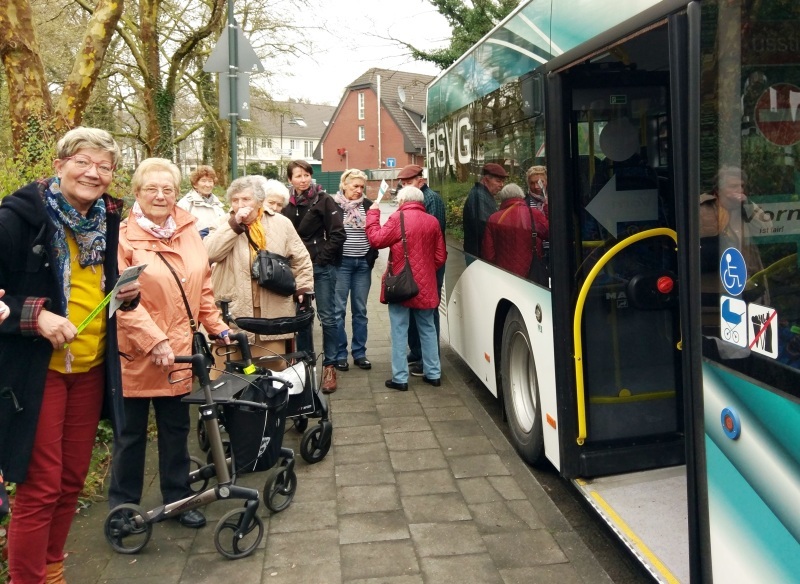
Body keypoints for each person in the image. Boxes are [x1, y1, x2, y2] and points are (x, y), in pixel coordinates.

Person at [0, 127, 140, 584]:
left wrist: (126, 294)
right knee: (40, 487)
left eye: (104, 166)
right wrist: (34, 317)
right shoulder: (18, 218)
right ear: (59, 165)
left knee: (70, 483)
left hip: (92, 367)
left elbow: (98, 286)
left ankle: (53, 571)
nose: (93, 173)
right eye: (82, 161)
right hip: (36, 373)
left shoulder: (105, 218)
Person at [109, 157, 230, 530]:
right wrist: (154, 340)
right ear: (136, 192)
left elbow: (202, 287)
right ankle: (123, 509)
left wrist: (217, 327)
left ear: (178, 193)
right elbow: (119, 300)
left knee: (176, 429)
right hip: (135, 351)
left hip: (180, 351)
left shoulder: (188, 229)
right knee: (130, 436)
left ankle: (177, 499)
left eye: (168, 189)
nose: (160, 196)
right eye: (151, 188)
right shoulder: (122, 236)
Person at [204, 176, 313, 369]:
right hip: (233, 313)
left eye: (246, 199)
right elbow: (208, 254)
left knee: (273, 374)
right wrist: (234, 226)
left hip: (273, 312)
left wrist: (304, 287)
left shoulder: (281, 223)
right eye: (235, 200)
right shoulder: (222, 223)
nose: (240, 204)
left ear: (260, 201)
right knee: (226, 375)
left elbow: (301, 259)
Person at [366, 186, 446, 391]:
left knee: (399, 330)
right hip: (426, 285)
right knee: (428, 329)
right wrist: (425, 271)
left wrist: (373, 214)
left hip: (401, 284)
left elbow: (376, 240)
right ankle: (433, 374)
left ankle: (400, 378)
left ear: (401, 201)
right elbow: (440, 256)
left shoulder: (397, 218)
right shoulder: (432, 221)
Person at [282, 160, 346, 393]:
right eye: (298, 175)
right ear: (290, 180)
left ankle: (330, 365)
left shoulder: (323, 199)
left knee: (328, 317)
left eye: (306, 174)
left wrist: (320, 259)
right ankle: (305, 364)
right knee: (301, 319)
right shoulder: (284, 204)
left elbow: (338, 233)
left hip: (320, 268)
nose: (303, 179)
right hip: (294, 271)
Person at [396, 164, 446, 377]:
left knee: (428, 312)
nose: (405, 187)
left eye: (409, 182)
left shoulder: (430, 199)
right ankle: (418, 353)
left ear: (421, 180)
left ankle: (428, 361)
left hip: (429, 265)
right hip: (420, 265)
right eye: (403, 184)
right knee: (418, 309)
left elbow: (430, 234)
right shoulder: (414, 199)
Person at [699, 165, 771, 303]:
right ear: (719, 189)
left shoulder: (746, 207)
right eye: (733, 186)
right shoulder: (703, 207)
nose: (740, 190)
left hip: (748, 280)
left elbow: (767, 228)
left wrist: (747, 205)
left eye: (742, 186)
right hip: (715, 285)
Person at [332, 169, 379, 373]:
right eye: (355, 186)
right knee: (338, 312)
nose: (359, 190)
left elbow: (377, 233)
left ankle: (359, 353)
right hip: (341, 264)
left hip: (362, 265)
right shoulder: (333, 206)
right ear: (344, 185)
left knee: (360, 311)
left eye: (362, 187)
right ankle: (340, 354)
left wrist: (371, 257)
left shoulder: (369, 206)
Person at [482, 183, 549, 280]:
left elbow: (489, 255)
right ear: (521, 196)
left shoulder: (494, 218)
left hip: (504, 274)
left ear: (503, 198)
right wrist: (547, 209)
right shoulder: (533, 214)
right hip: (531, 272)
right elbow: (548, 233)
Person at [463, 163, 507, 260]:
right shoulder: (480, 197)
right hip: (479, 255)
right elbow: (485, 227)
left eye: (503, 181)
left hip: (477, 253)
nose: (501, 185)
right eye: (498, 181)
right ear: (486, 179)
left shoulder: (482, 194)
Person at [176, 165, 226, 238]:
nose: (208, 185)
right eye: (203, 181)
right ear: (195, 184)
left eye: (210, 181)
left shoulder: (218, 204)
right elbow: (179, 231)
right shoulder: (186, 204)